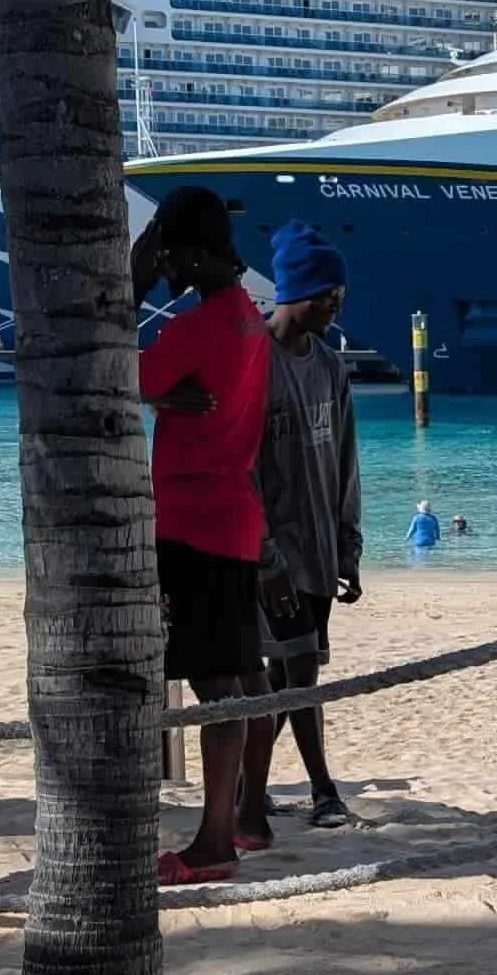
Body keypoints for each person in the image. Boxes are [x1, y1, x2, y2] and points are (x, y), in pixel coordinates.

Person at [134, 188, 271, 885]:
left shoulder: (196, 329)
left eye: (168, 253)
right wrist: (158, 394)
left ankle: (217, 838)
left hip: (193, 519)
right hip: (234, 512)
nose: (164, 267)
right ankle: (239, 821)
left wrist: (133, 278)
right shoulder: (248, 319)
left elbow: (102, 368)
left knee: (218, 685)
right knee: (236, 681)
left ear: (186, 252)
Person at [237, 222, 362, 840]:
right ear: (299, 293)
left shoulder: (331, 368)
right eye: (328, 296)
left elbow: (346, 461)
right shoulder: (252, 363)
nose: (337, 307)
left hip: (317, 552)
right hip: (270, 556)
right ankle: (322, 789)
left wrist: (350, 545)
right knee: (299, 672)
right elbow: (240, 470)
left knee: (290, 675)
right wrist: (265, 558)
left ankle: (247, 792)